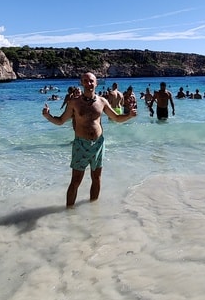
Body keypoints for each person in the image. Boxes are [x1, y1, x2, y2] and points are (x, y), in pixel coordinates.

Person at [42, 72, 136, 207]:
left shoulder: (102, 101)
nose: (89, 83)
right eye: (85, 81)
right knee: (76, 181)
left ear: (96, 83)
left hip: (98, 144)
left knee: (96, 179)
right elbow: (61, 120)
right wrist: (48, 116)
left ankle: (93, 210)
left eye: (91, 81)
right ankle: (69, 212)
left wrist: (129, 115)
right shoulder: (74, 103)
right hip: (81, 144)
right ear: (82, 83)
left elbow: (116, 118)